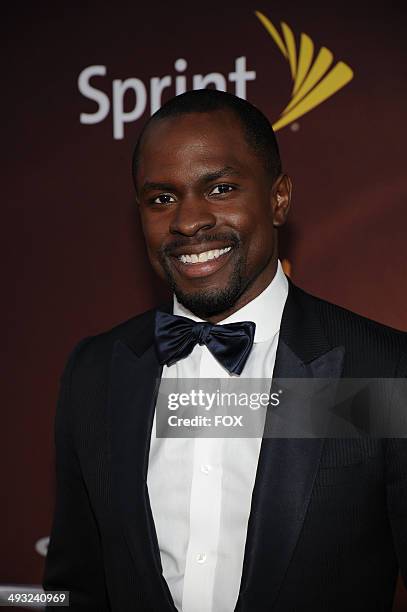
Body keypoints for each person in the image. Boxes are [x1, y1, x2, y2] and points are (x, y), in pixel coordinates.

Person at [43, 89, 407, 611]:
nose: (188, 221)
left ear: (279, 198)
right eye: (161, 199)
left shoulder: (386, 371)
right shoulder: (95, 373)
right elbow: (75, 591)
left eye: (219, 188)